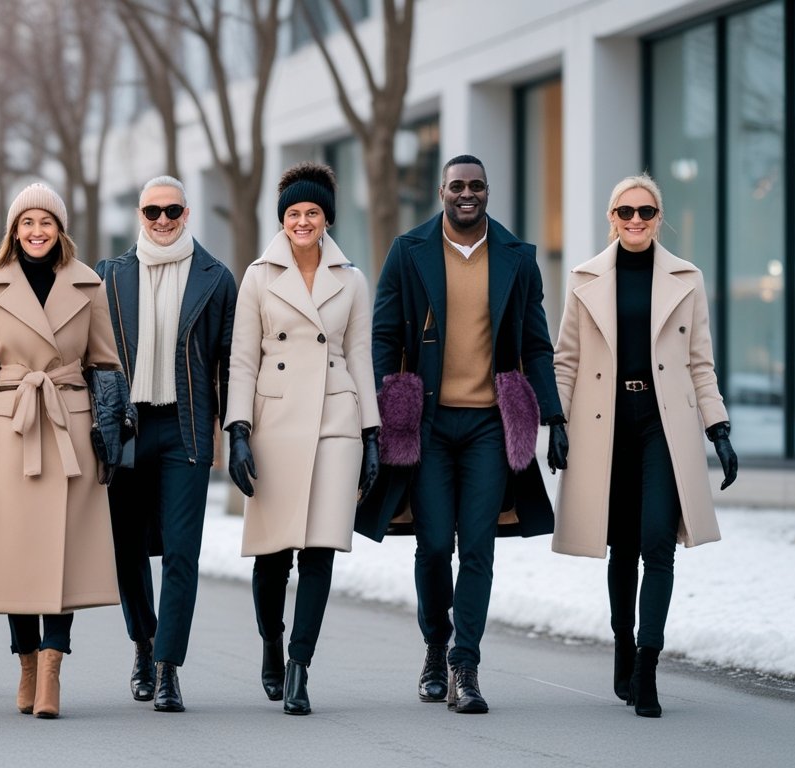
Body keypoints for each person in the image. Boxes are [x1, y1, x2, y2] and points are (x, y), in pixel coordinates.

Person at [359, 154, 567, 714]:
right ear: (442, 191)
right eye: (457, 186)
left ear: (488, 192)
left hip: (488, 427)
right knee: (432, 547)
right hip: (426, 424)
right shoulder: (409, 252)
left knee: (476, 547)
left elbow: (536, 345)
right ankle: (434, 647)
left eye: (475, 185)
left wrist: (554, 417)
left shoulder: (519, 258)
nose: (466, 194)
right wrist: (383, 409)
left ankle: (464, 664)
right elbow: (382, 335)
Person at [550, 173, 737, 718]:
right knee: (623, 547)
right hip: (605, 423)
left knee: (657, 541)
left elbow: (700, 362)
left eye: (646, 212)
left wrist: (717, 428)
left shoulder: (687, 278)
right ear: (612, 217)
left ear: (659, 218)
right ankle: (623, 645)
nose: (636, 220)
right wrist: (556, 422)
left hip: (663, 423)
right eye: (626, 211)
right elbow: (567, 359)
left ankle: (648, 663)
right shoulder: (585, 277)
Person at [0, 182, 124, 719]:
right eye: (27, 223)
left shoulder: (89, 286)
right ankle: (26, 662)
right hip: (12, 430)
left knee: (63, 555)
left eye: (46, 222)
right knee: (18, 557)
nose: (36, 232)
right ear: (14, 230)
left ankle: (51, 668)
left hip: (70, 428)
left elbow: (107, 363)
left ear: (60, 228)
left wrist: (110, 430)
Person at [224, 162, 380, 716]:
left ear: (327, 218)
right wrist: (237, 430)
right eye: (294, 213)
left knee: (319, 551)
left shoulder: (353, 279)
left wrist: (372, 431)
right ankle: (271, 642)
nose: (303, 221)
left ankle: (298, 665)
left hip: (336, 419)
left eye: (312, 212)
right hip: (275, 421)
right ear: (283, 219)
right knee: (272, 557)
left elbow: (360, 354)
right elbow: (243, 358)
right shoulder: (258, 276)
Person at [95, 175, 237, 712]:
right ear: (138, 213)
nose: (161, 220)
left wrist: (234, 429)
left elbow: (229, 362)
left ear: (186, 212)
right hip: (129, 429)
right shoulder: (109, 276)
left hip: (187, 428)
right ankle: (143, 643)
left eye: (171, 210)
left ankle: (168, 667)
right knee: (127, 547)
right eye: (151, 211)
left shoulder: (216, 278)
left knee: (181, 551)